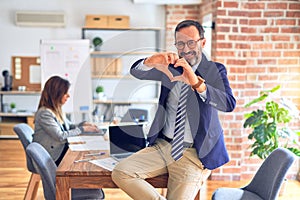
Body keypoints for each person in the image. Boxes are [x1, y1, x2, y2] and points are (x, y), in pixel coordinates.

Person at [111, 20, 236, 200]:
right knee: (121, 172)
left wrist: (196, 83)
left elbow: (228, 103)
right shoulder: (169, 68)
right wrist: (150, 61)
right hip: (162, 146)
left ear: (203, 42)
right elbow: (137, 72)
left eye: (191, 42)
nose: (185, 49)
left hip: (193, 154)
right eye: (180, 43)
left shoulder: (214, 70)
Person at [33, 75, 100, 166]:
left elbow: (69, 126)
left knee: (89, 154)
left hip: (59, 149)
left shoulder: (56, 109)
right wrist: (83, 129)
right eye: (65, 93)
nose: (68, 96)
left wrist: (84, 124)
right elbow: (60, 136)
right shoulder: (45, 113)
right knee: (85, 160)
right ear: (57, 94)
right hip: (52, 156)